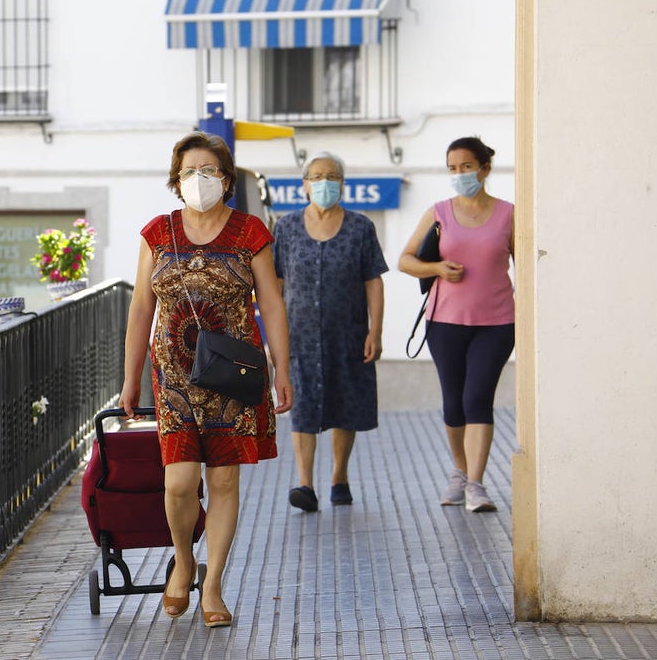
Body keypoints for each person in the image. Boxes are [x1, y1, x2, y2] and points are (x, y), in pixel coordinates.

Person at [120, 131, 293, 629]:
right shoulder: (158, 233)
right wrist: (130, 379)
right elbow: (140, 310)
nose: (200, 180)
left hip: (234, 379)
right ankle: (184, 559)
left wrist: (283, 369)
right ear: (176, 180)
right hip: (172, 378)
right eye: (190, 171)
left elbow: (273, 304)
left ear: (226, 178)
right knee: (178, 483)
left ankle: (212, 583)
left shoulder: (250, 232)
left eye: (210, 171)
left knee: (222, 479)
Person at [398, 136, 514, 513]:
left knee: (477, 398)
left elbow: (526, 263)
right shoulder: (439, 212)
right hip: (444, 321)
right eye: (452, 168)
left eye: (466, 166)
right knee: (453, 402)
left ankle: (477, 484)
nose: (460, 174)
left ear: (484, 168)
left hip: (497, 322)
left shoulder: (509, 214)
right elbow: (405, 259)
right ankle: (460, 472)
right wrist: (436, 268)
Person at [272, 152, 387, 511]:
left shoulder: (360, 227)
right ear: (305, 185)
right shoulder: (286, 227)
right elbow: (274, 283)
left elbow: (374, 280)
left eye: (332, 176)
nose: (325, 182)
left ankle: (339, 476)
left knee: (344, 402)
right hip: (299, 336)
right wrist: (272, 337)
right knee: (303, 405)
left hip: (348, 333)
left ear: (342, 184)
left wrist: (376, 330)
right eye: (317, 176)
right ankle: (305, 483)